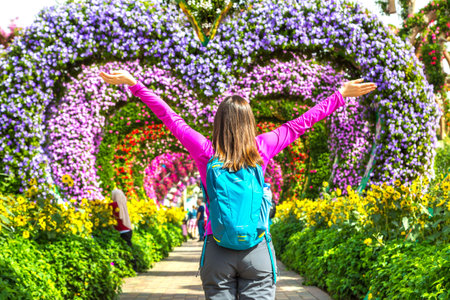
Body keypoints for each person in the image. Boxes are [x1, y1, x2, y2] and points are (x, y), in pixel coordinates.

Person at [100, 70, 376, 299]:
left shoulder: (205, 151)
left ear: (219, 123)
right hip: (257, 251)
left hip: (217, 250)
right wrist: (340, 95)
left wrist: (135, 85)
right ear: (250, 122)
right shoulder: (263, 147)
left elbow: (170, 119)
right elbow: (300, 124)